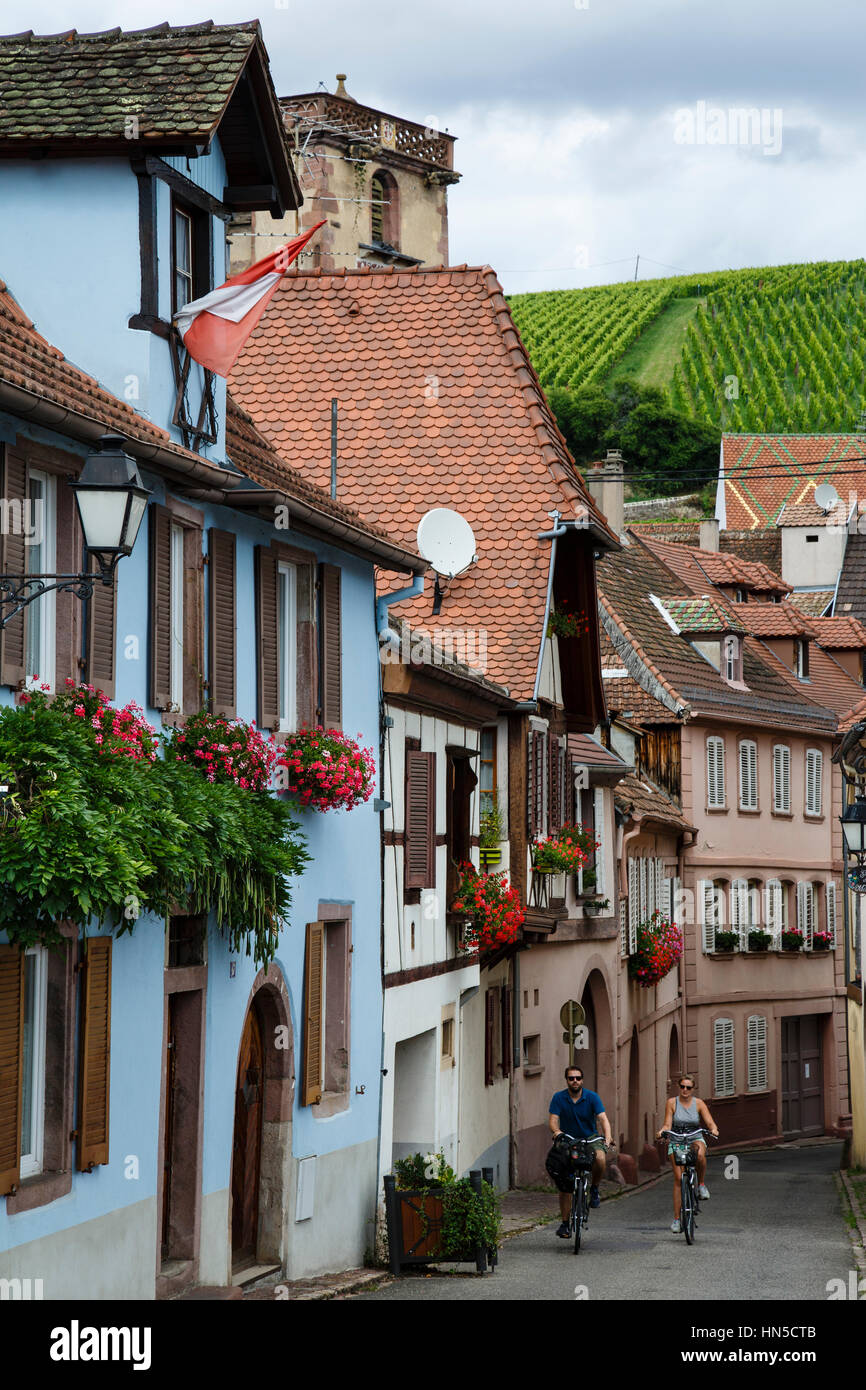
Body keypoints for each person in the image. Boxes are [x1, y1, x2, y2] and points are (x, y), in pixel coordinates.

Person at [548, 1065, 614, 1238]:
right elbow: (553, 1120)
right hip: (568, 1140)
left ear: (582, 1080)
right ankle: (564, 1224)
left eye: (578, 1078)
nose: (575, 1081)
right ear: (567, 1081)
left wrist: (607, 1138)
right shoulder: (559, 1098)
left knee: (600, 1158)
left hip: (590, 1139)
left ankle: (594, 1188)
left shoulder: (592, 1097)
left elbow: (603, 1119)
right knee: (565, 1184)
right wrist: (557, 1132)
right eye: (571, 1078)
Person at [656, 1073, 719, 1233]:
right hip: (677, 1139)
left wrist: (713, 1129)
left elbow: (710, 1122)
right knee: (678, 1179)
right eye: (682, 1087)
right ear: (679, 1087)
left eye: (688, 1087)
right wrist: (663, 1131)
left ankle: (701, 1185)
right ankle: (677, 1219)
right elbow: (667, 1123)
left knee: (699, 1155)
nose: (685, 1090)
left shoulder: (699, 1104)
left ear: (693, 1089)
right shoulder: (672, 1103)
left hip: (694, 1137)